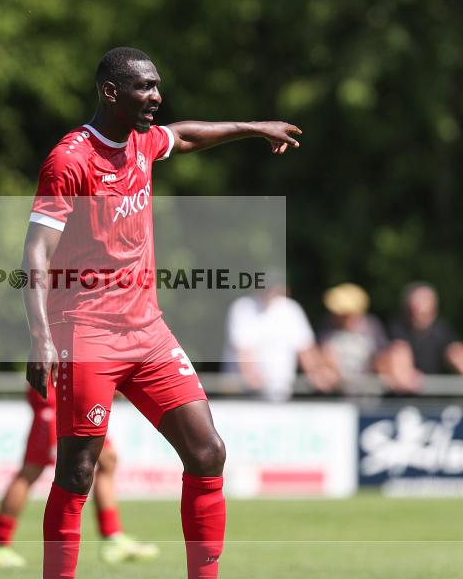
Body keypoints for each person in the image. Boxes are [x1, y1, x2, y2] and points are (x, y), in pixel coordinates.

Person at [21, 46, 304, 579]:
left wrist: (253, 125)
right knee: (78, 471)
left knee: (208, 452)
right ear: (111, 92)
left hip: (147, 331)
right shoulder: (70, 160)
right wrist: (40, 337)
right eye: (145, 87)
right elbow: (35, 253)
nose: (156, 96)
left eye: (157, 86)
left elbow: (188, 134)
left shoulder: (142, 142)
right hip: (87, 334)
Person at [0, 382, 158, 567]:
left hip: (74, 403)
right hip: (54, 403)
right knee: (31, 471)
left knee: (108, 460)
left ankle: (112, 536)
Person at [222, 276, 338, 401]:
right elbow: (243, 349)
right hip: (244, 393)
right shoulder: (243, 307)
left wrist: (317, 372)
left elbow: (305, 348)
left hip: (280, 392)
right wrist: (252, 376)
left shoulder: (291, 309)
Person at [388, 281, 463, 394]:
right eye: (416, 302)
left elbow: (456, 352)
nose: (418, 307)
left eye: (424, 301)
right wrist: (404, 374)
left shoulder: (441, 329)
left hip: (426, 399)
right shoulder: (396, 326)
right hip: (397, 402)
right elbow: (398, 351)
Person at [317, 282, 399, 395]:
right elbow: (325, 357)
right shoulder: (327, 327)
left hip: (369, 393)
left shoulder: (372, 326)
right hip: (338, 393)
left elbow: (381, 357)